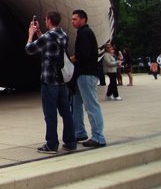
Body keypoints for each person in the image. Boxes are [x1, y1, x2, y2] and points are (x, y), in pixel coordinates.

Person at [25, 11, 76, 154]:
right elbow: (50, 46)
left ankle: (52, 144)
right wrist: (40, 32)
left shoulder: (48, 37)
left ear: (48, 20)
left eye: (45, 19)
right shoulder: (63, 35)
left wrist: (30, 34)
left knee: (50, 114)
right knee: (66, 112)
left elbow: (29, 49)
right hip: (61, 81)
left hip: (49, 80)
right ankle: (70, 142)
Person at [70, 9, 106, 148]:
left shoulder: (85, 33)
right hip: (82, 74)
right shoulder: (84, 33)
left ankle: (98, 136)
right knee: (76, 102)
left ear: (83, 20)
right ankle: (79, 132)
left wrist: (71, 59)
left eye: (75, 19)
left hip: (86, 74)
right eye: (72, 19)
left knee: (91, 105)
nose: (73, 21)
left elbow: (83, 54)